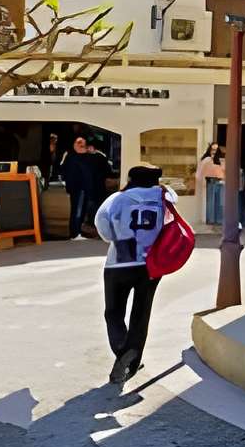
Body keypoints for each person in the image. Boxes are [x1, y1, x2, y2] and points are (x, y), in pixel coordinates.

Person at [93, 163, 169, 385]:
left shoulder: (118, 198)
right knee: (140, 314)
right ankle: (132, 361)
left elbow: (102, 223)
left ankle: (122, 351)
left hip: (119, 261)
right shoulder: (164, 199)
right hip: (150, 264)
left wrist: (114, 237)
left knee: (114, 313)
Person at [61, 134, 111, 239]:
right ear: (74, 144)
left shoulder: (92, 156)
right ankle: (74, 233)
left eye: (83, 143)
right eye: (78, 143)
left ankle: (79, 231)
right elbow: (65, 172)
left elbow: (105, 168)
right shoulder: (71, 156)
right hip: (77, 188)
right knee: (77, 211)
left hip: (88, 188)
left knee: (84, 211)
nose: (81, 145)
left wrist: (95, 153)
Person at [198, 139, 226, 229]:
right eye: (212, 149)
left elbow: (224, 170)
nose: (214, 152)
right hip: (210, 181)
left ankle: (218, 219)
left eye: (216, 150)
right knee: (211, 201)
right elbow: (201, 171)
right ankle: (211, 219)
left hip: (220, 181)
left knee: (219, 202)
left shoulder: (221, 160)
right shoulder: (207, 159)